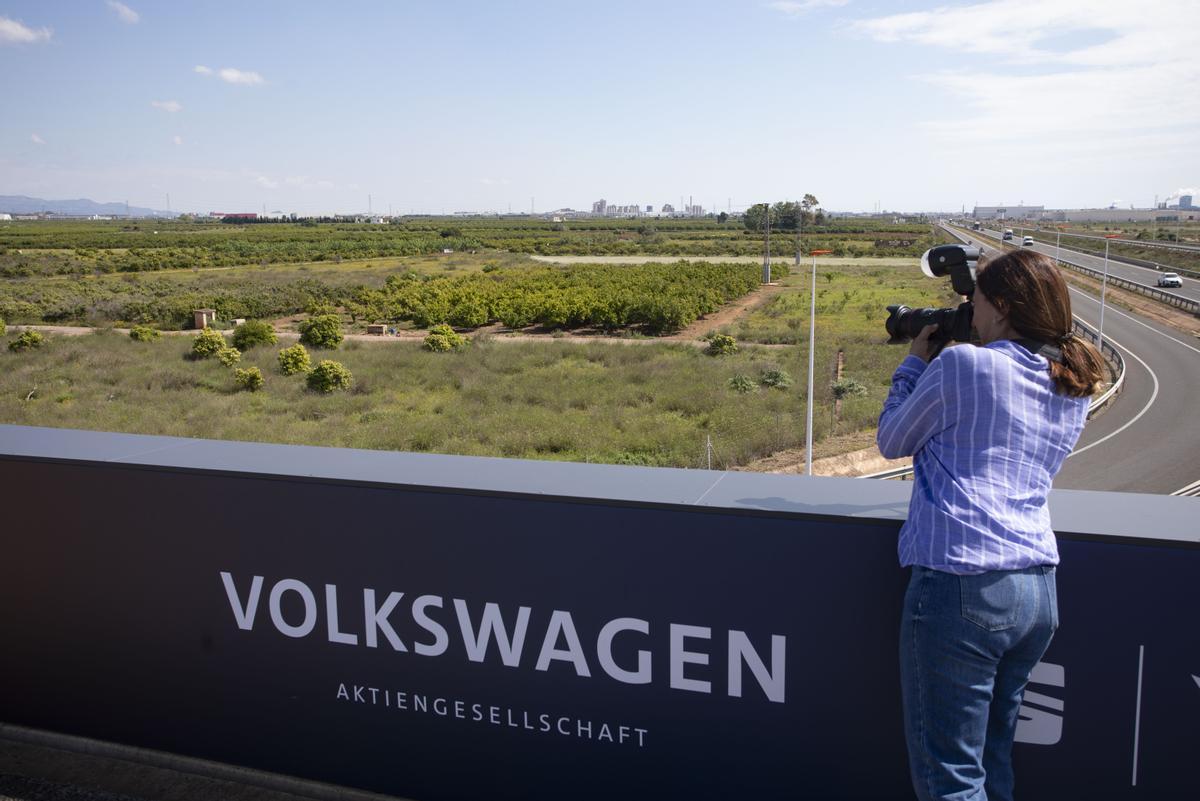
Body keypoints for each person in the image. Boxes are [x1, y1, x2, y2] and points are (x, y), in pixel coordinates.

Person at [877, 249, 1105, 801]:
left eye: (976, 302)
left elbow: (892, 440)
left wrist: (913, 362)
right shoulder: (1070, 380)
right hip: (1035, 590)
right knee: (992, 760)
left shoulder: (963, 366)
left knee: (950, 778)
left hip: (962, 584)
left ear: (1001, 306)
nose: (969, 313)